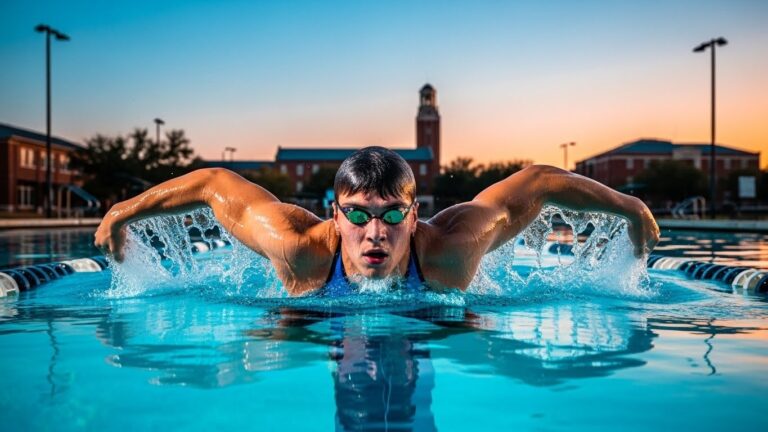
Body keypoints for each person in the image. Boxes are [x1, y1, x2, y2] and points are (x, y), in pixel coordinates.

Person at [95, 146, 659, 296]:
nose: (376, 233)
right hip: (308, 317)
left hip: (437, 314)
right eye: (359, 216)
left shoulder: (451, 250)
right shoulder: (298, 249)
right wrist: (123, 211)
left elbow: (536, 182)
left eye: (392, 215)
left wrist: (629, 206)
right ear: (335, 214)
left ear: (415, 216)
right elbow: (214, 186)